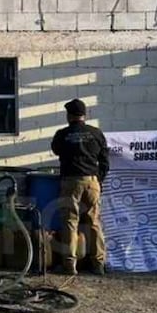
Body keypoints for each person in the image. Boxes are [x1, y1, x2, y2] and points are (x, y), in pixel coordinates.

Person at [50, 98, 110, 276]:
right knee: (94, 222)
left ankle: (70, 266)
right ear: (84, 115)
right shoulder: (96, 133)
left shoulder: (62, 134)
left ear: (69, 116)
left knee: (70, 222)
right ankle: (98, 264)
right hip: (92, 181)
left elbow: (56, 150)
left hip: (71, 182)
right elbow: (105, 161)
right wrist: (98, 180)